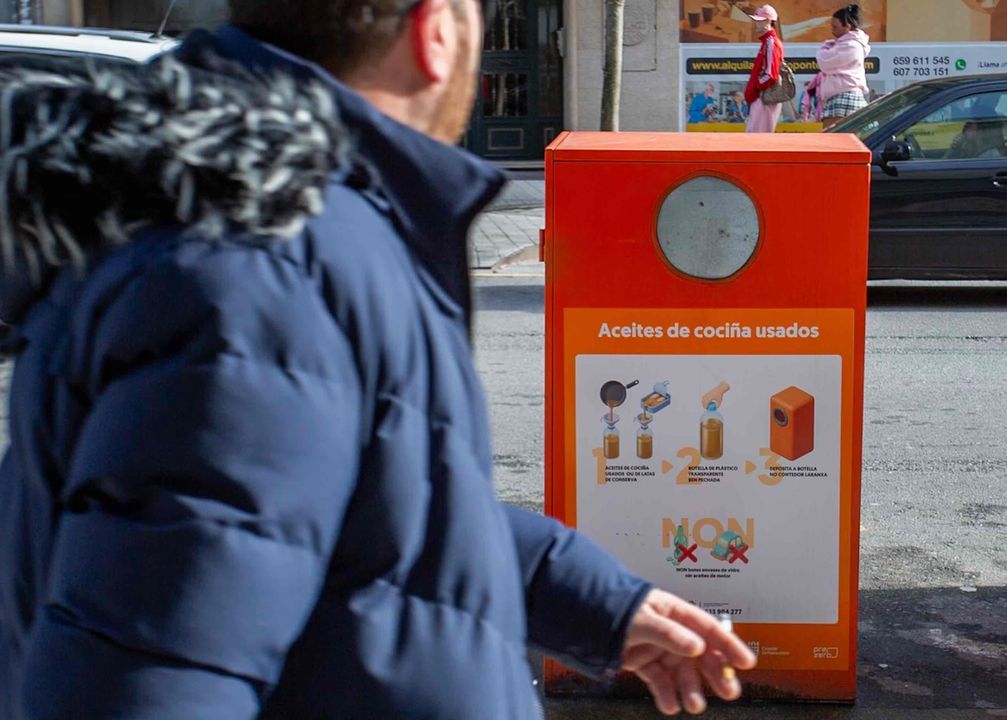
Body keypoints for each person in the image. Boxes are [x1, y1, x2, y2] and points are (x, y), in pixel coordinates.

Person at [0, 1, 756, 718]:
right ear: (434, 33)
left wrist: (586, 596)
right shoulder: (264, 268)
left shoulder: (267, 222)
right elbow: (153, 675)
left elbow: (349, 512)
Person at [816, 4, 871, 129]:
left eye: (835, 27)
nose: (832, 31)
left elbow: (824, 62)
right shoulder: (848, 45)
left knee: (832, 141)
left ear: (847, 27)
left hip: (844, 97)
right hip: (843, 97)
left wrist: (825, 47)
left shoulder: (851, 46)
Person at [743, 4, 784, 133]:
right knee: (754, 142)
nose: (755, 23)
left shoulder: (771, 41)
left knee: (757, 143)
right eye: (755, 20)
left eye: (759, 21)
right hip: (762, 98)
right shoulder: (768, 41)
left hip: (764, 98)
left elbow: (770, 75)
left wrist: (755, 88)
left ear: (768, 21)